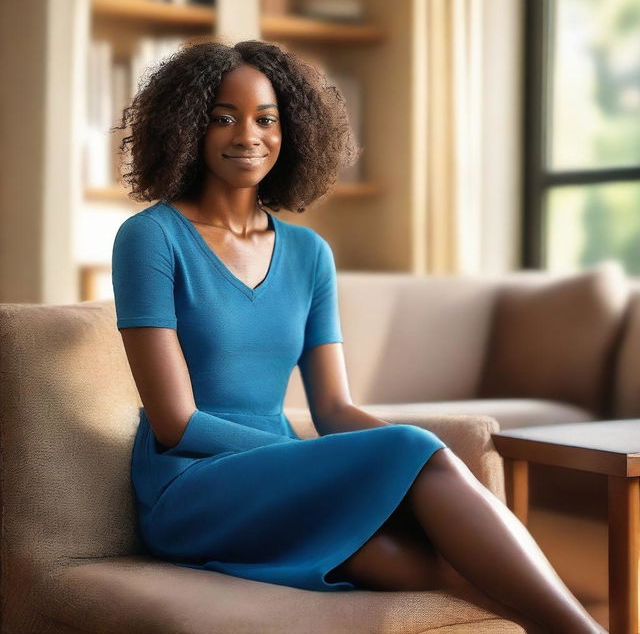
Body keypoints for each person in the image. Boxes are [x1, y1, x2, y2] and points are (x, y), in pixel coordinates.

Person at [111, 39, 607, 634]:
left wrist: (426, 449)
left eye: (267, 119)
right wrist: (333, 457)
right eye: (224, 117)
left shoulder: (309, 253)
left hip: (291, 478)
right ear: (188, 126)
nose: (248, 135)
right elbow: (176, 423)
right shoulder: (150, 238)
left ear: (291, 132)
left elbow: (335, 409)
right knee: (406, 450)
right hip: (193, 483)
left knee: (425, 562)